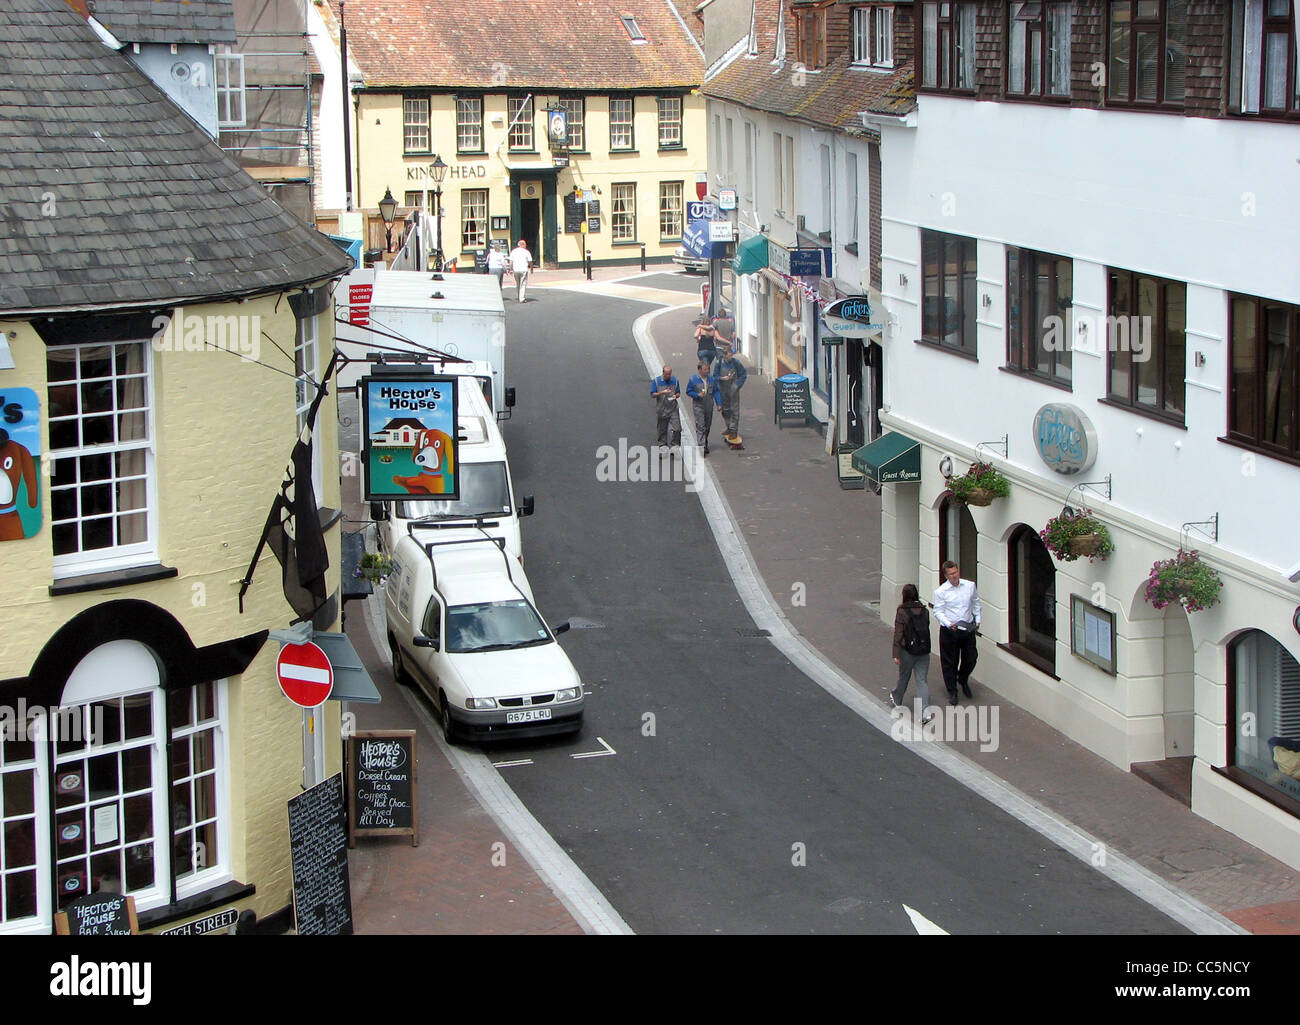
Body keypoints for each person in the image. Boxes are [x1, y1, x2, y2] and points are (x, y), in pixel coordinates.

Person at [933, 560, 982, 704]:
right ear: (946, 576)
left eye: (956, 572)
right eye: (951, 574)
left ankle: (963, 678)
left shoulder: (969, 586)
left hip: (967, 628)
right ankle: (952, 691)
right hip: (950, 631)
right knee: (949, 662)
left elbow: (976, 602)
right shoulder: (941, 592)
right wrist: (949, 624)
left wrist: (977, 619)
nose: (954, 576)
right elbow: (938, 611)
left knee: (971, 657)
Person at [891, 584, 934, 725]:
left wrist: (896, 654)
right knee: (922, 681)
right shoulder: (924, 610)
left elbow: (898, 634)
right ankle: (924, 713)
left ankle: (897, 698)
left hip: (907, 651)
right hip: (923, 650)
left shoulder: (902, 611)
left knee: (904, 677)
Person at [712, 339, 747, 447]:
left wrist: (737, 385)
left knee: (734, 410)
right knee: (725, 410)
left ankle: (733, 430)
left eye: (732, 355)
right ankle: (728, 426)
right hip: (723, 389)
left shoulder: (736, 363)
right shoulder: (719, 363)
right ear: (724, 355)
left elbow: (743, 374)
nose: (731, 357)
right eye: (729, 355)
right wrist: (722, 378)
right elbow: (715, 376)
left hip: (733, 389)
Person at [685, 359, 720, 456]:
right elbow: (688, 391)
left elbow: (716, 391)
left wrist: (719, 404)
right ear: (699, 370)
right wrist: (697, 395)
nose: (707, 371)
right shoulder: (693, 379)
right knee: (701, 426)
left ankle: (705, 442)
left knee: (707, 425)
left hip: (709, 404)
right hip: (698, 405)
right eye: (705, 369)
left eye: (708, 369)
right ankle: (701, 446)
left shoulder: (711, 379)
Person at [650, 364, 681, 447]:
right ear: (663, 373)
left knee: (677, 428)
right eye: (667, 374)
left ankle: (675, 445)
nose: (668, 376)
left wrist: (675, 396)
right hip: (662, 409)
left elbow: (678, 392)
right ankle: (662, 445)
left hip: (673, 408)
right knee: (662, 429)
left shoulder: (675, 380)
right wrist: (662, 392)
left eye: (670, 374)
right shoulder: (656, 382)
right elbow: (652, 395)